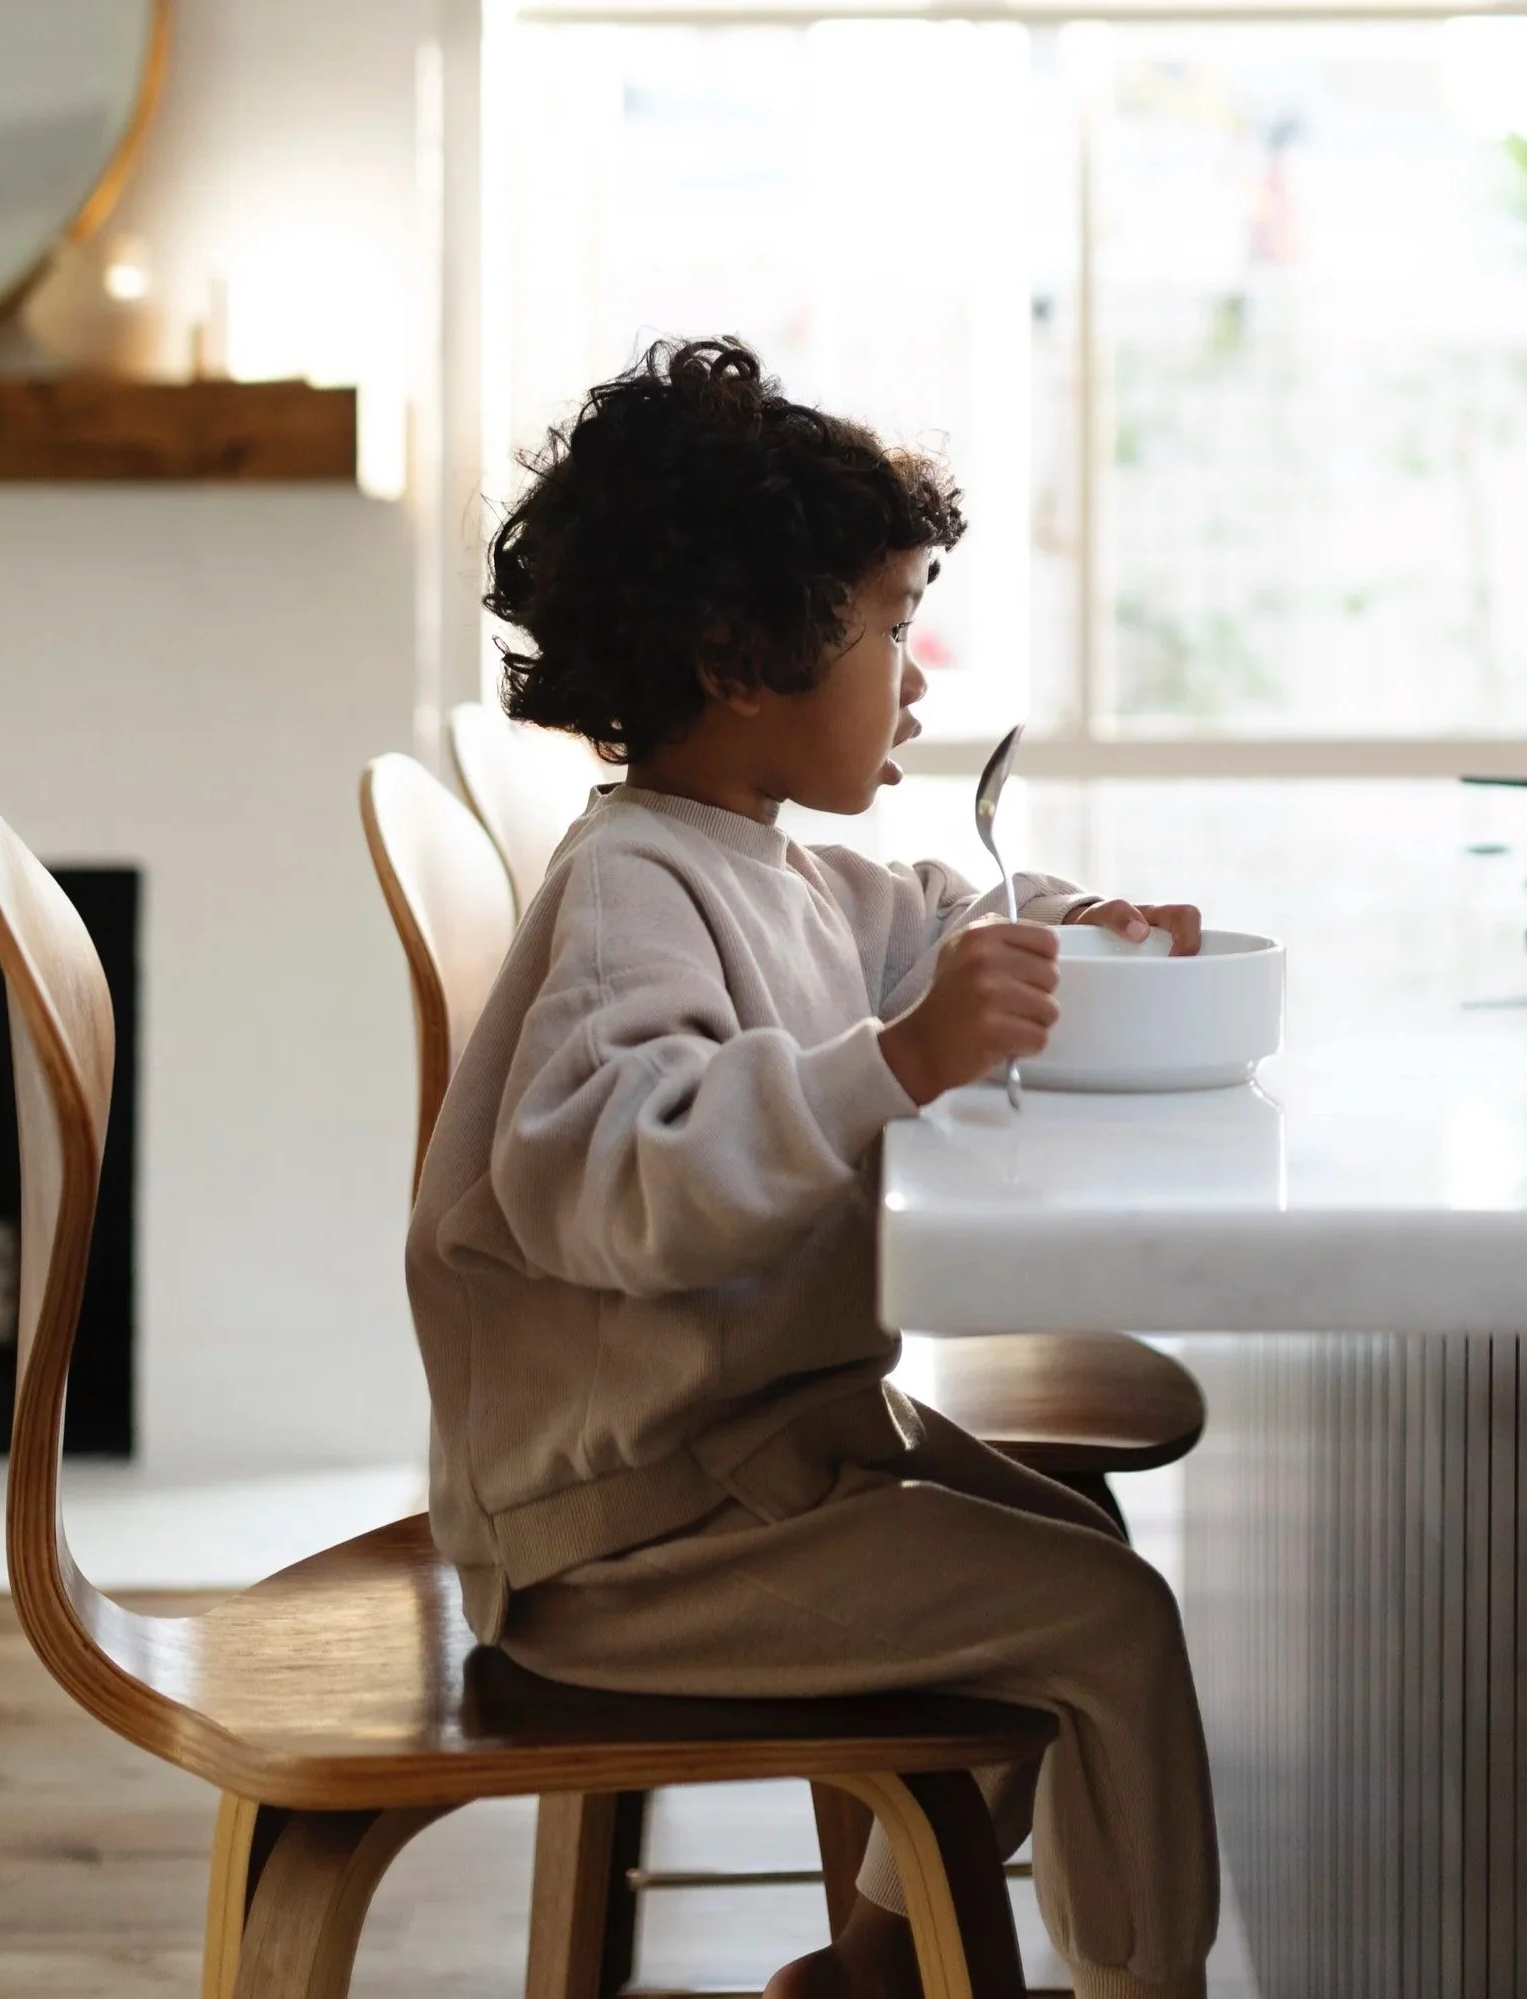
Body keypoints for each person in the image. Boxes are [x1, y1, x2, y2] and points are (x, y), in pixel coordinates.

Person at [406, 337, 1219, 1999]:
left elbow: (926, 914)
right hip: (623, 1533)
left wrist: (1074, 923)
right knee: (1106, 1627)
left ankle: (870, 1963)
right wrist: (901, 1061)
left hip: (751, 1462)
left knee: (1083, 1562)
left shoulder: (755, 863)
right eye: (892, 621)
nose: (919, 673)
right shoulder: (633, 886)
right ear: (740, 655)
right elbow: (618, 1178)